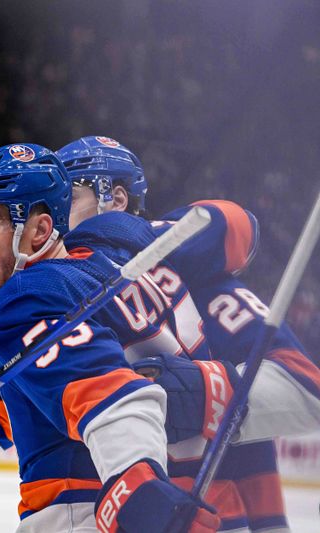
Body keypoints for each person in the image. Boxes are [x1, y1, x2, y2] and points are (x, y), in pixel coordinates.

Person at [0, 143, 219, 532]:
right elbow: (46, 385)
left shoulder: (24, 297)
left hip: (79, 512)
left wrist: (137, 488)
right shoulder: (97, 273)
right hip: (163, 489)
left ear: (39, 229)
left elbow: (104, 392)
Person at [57, 135, 320, 532]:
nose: (56, 218)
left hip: (202, 512)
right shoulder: (58, 288)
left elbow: (306, 387)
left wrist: (195, 389)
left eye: (68, 199)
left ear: (117, 199)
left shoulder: (193, 276)